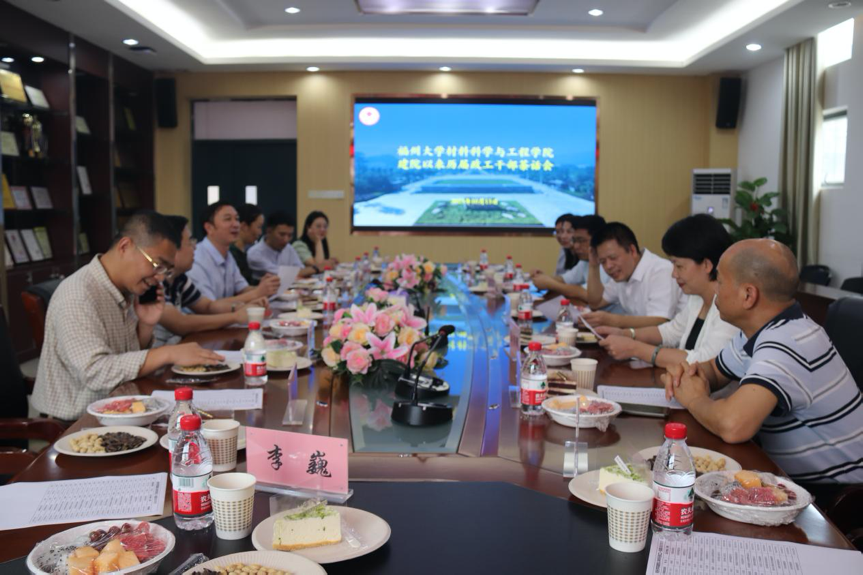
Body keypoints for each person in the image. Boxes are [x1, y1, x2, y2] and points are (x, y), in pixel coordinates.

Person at [663, 239, 863, 487]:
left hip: (836, 492)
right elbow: (714, 370)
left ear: (748, 295)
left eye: (720, 282)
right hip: (786, 476)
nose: (715, 291)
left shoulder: (786, 342)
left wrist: (694, 399)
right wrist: (687, 374)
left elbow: (733, 425)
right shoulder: (762, 330)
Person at [30, 211, 224, 421]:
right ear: (125, 246)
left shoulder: (126, 288)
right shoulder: (78, 295)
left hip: (122, 407)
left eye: (166, 270)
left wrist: (146, 326)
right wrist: (167, 353)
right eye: (156, 265)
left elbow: (125, 362)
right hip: (77, 421)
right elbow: (97, 373)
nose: (160, 277)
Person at [596, 214, 739, 368]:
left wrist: (635, 349)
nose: (673, 274)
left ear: (706, 265)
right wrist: (625, 334)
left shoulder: (731, 306)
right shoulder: (697, 298)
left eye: (679, 266)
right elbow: (670, 332)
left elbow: (707, 361)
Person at [153, 215, 271, 347]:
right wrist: (236, 316)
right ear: (172, 248)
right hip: (159, 355)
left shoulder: (180, 279)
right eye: (190, 242)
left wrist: (240, 307)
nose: (195, 247)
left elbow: (208, 306)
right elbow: (180, 323)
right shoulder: (156, 280)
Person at [584, 222, 685, 328]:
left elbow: (659, 321)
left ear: (632, 251)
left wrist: (611, 320)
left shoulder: (661, 271)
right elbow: (596, 302)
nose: (608, 266)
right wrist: (593, 266)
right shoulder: (621, 273)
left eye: (613, 258)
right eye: (603, 261)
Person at [187, 201, 280, 300]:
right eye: (228, 219)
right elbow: (210, 305)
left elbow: (242, 289)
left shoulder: (227, 255)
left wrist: (265, 287)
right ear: (209, 228)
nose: (236, 224)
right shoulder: (196, 260)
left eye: (237, 219)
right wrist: (258, 292)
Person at [532, 215, 610, 303]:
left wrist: (550, 283)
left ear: (599, 240)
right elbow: (564, 279)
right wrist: (542, 278)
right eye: (575, 240)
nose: (576, 246)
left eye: (581, 240)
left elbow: (586, 293)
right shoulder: (585, 261)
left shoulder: (607, 264)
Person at [247, 211, 316, 280]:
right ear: (269, 231)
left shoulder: (288, 248)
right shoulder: (255, 253)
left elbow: (301, 269)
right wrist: (316, 268)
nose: (286, 240)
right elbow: (281, 274)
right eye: (282, 234)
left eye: (290, 235)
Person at [231, 203, 264, 285]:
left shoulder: (243, 253)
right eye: (259, 227)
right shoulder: (231, 255)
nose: (260, 232)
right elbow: (240, 288)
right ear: (244, 226)